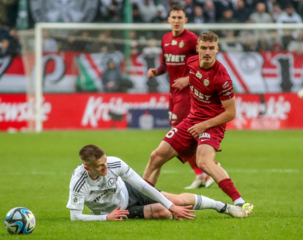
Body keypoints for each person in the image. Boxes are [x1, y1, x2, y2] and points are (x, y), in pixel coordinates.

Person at [143, 31, 254, 216]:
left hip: (212, 124)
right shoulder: (191, 62)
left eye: (211, 48)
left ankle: (241, 202)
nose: (208, 52)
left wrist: (204, 126)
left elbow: (231, 113)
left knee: (203, 162)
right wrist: (161, 71)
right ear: (197, 49)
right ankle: (139, 196)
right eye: (204, 48)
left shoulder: (222, 78)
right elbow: (177, 66)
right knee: (156, 156)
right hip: (192, 120)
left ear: (217, 49)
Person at [66, 145, 247, 221]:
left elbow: (144, 186)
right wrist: (106, 217)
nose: (106, 168)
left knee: (177, 201)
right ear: (87, 168)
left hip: (129, 192)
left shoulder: (115, 163)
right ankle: (169, 208)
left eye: (105, 162)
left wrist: (171, 205)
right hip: (115, 212)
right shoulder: (78, 182)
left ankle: (223, 207)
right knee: (163, 213)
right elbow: (75, 217)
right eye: (99, 167)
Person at [147, 5, 217, 189]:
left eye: (180, 17)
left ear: (185, 20)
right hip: (173, 93)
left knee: (179, 135)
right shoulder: (165, 39)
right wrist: (156, 71)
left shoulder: (192, 39)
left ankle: (210, 167)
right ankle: (202, 174)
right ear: (168, 20)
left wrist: (188, 79)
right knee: (181, 135)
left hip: (188, 95)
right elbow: (164, 63)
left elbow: (207, 63)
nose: (176, 20)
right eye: (174, 17)